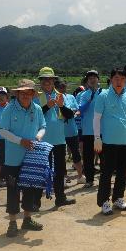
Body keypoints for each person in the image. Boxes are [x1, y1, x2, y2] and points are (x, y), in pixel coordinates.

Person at [0, 79, 46, 237]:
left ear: (33, 94)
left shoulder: (37, 108)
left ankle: (27, 219)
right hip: (13, 159)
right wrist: (20, 141)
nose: (25, 95)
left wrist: (38, 138)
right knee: (13, 190)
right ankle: (12, 222)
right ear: (17, 94)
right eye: (22, 93)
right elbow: (3, 131)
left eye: (29, 92)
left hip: (31, 157)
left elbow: (42, 127)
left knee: (30, 189)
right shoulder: (9, 109)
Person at [94, 67, 126, 215]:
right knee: (106, 173)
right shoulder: (103, 95)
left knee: (122, 172)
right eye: (116, 78)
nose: (119, 81)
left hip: (125, 141)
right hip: (108, 142)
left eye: (122, 79)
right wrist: (97, 138)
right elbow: (96, 118)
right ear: (111, 79)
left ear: (125, 81)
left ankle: (118, 198)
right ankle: (104, 201)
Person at [37, 67, 77, 207]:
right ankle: (35, 202)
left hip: (59, 140)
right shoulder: (37, 97)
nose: (47, 82)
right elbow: (33, 117)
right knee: (41, 170)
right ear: (40, 82)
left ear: (54, 80)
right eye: (44, 79)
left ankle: (60, 198)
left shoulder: (61, 95)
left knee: (60, 171)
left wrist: (61, 106)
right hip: (42, 141)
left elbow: (70, 115)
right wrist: (47, 106)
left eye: (49, 79)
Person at [76, 70, 102, 187]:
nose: (92, 79)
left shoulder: (104, 93)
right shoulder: (83, 95)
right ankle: (89, 180)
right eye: (90, 78)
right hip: (87, 130)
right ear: (87, 81)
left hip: (102, 130)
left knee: (104, 156)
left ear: (98, 79)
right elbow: (80, 110)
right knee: (88, 157)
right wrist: (90, 99)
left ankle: (104, 179)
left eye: (94, 77)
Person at [63, 82, 85, 184]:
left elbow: (78, 110)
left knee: (76, 153)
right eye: (60, 87)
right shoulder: (54, 97)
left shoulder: (71, 97)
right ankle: (64, 176)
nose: (62, 88)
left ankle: (80, 176)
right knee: (61, 155)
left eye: (64, 86)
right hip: (60, 132)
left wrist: (73, 114)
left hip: (72, 130)